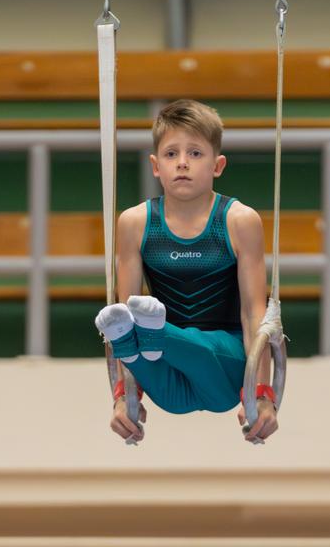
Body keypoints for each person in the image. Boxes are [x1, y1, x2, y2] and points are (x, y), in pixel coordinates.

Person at [95, 99, 279, 445]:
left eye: (195, 153)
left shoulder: (239, 221)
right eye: (171, 154)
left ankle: (157, 333)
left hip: (226, 365)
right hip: (166, 375)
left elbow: (255, 312)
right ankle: (151, 338)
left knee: (189, 344)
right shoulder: (135, 223)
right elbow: (122, 313)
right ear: (155, 166)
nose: (182, 163)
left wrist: (261, 391)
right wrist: (123, 396)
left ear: (217, 165)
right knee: (129, 336)